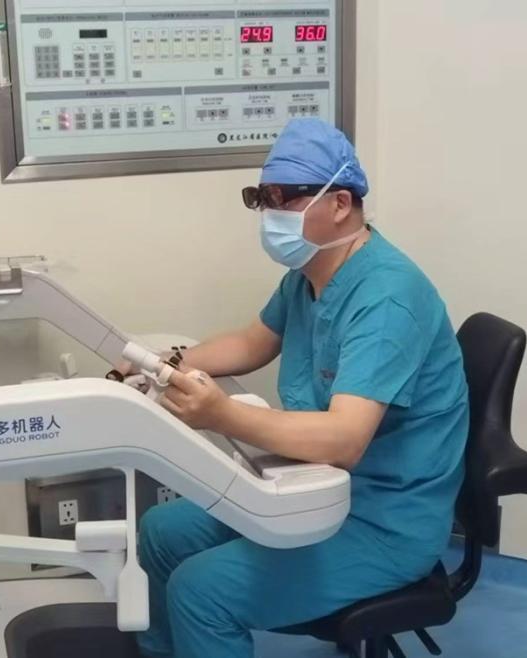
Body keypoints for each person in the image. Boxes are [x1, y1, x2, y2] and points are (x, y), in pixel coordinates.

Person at [134, 118, 470, 658]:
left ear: (340, 203)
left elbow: (344, 440)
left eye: (282, 198)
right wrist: (160, 365)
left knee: (202, 591)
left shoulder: (387, 298)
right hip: (311, 486)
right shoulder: (310, 275)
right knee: (161, 531)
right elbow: (252, 342)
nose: (269, 214)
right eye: (261, 199)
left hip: (382, 520)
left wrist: (220, 414)